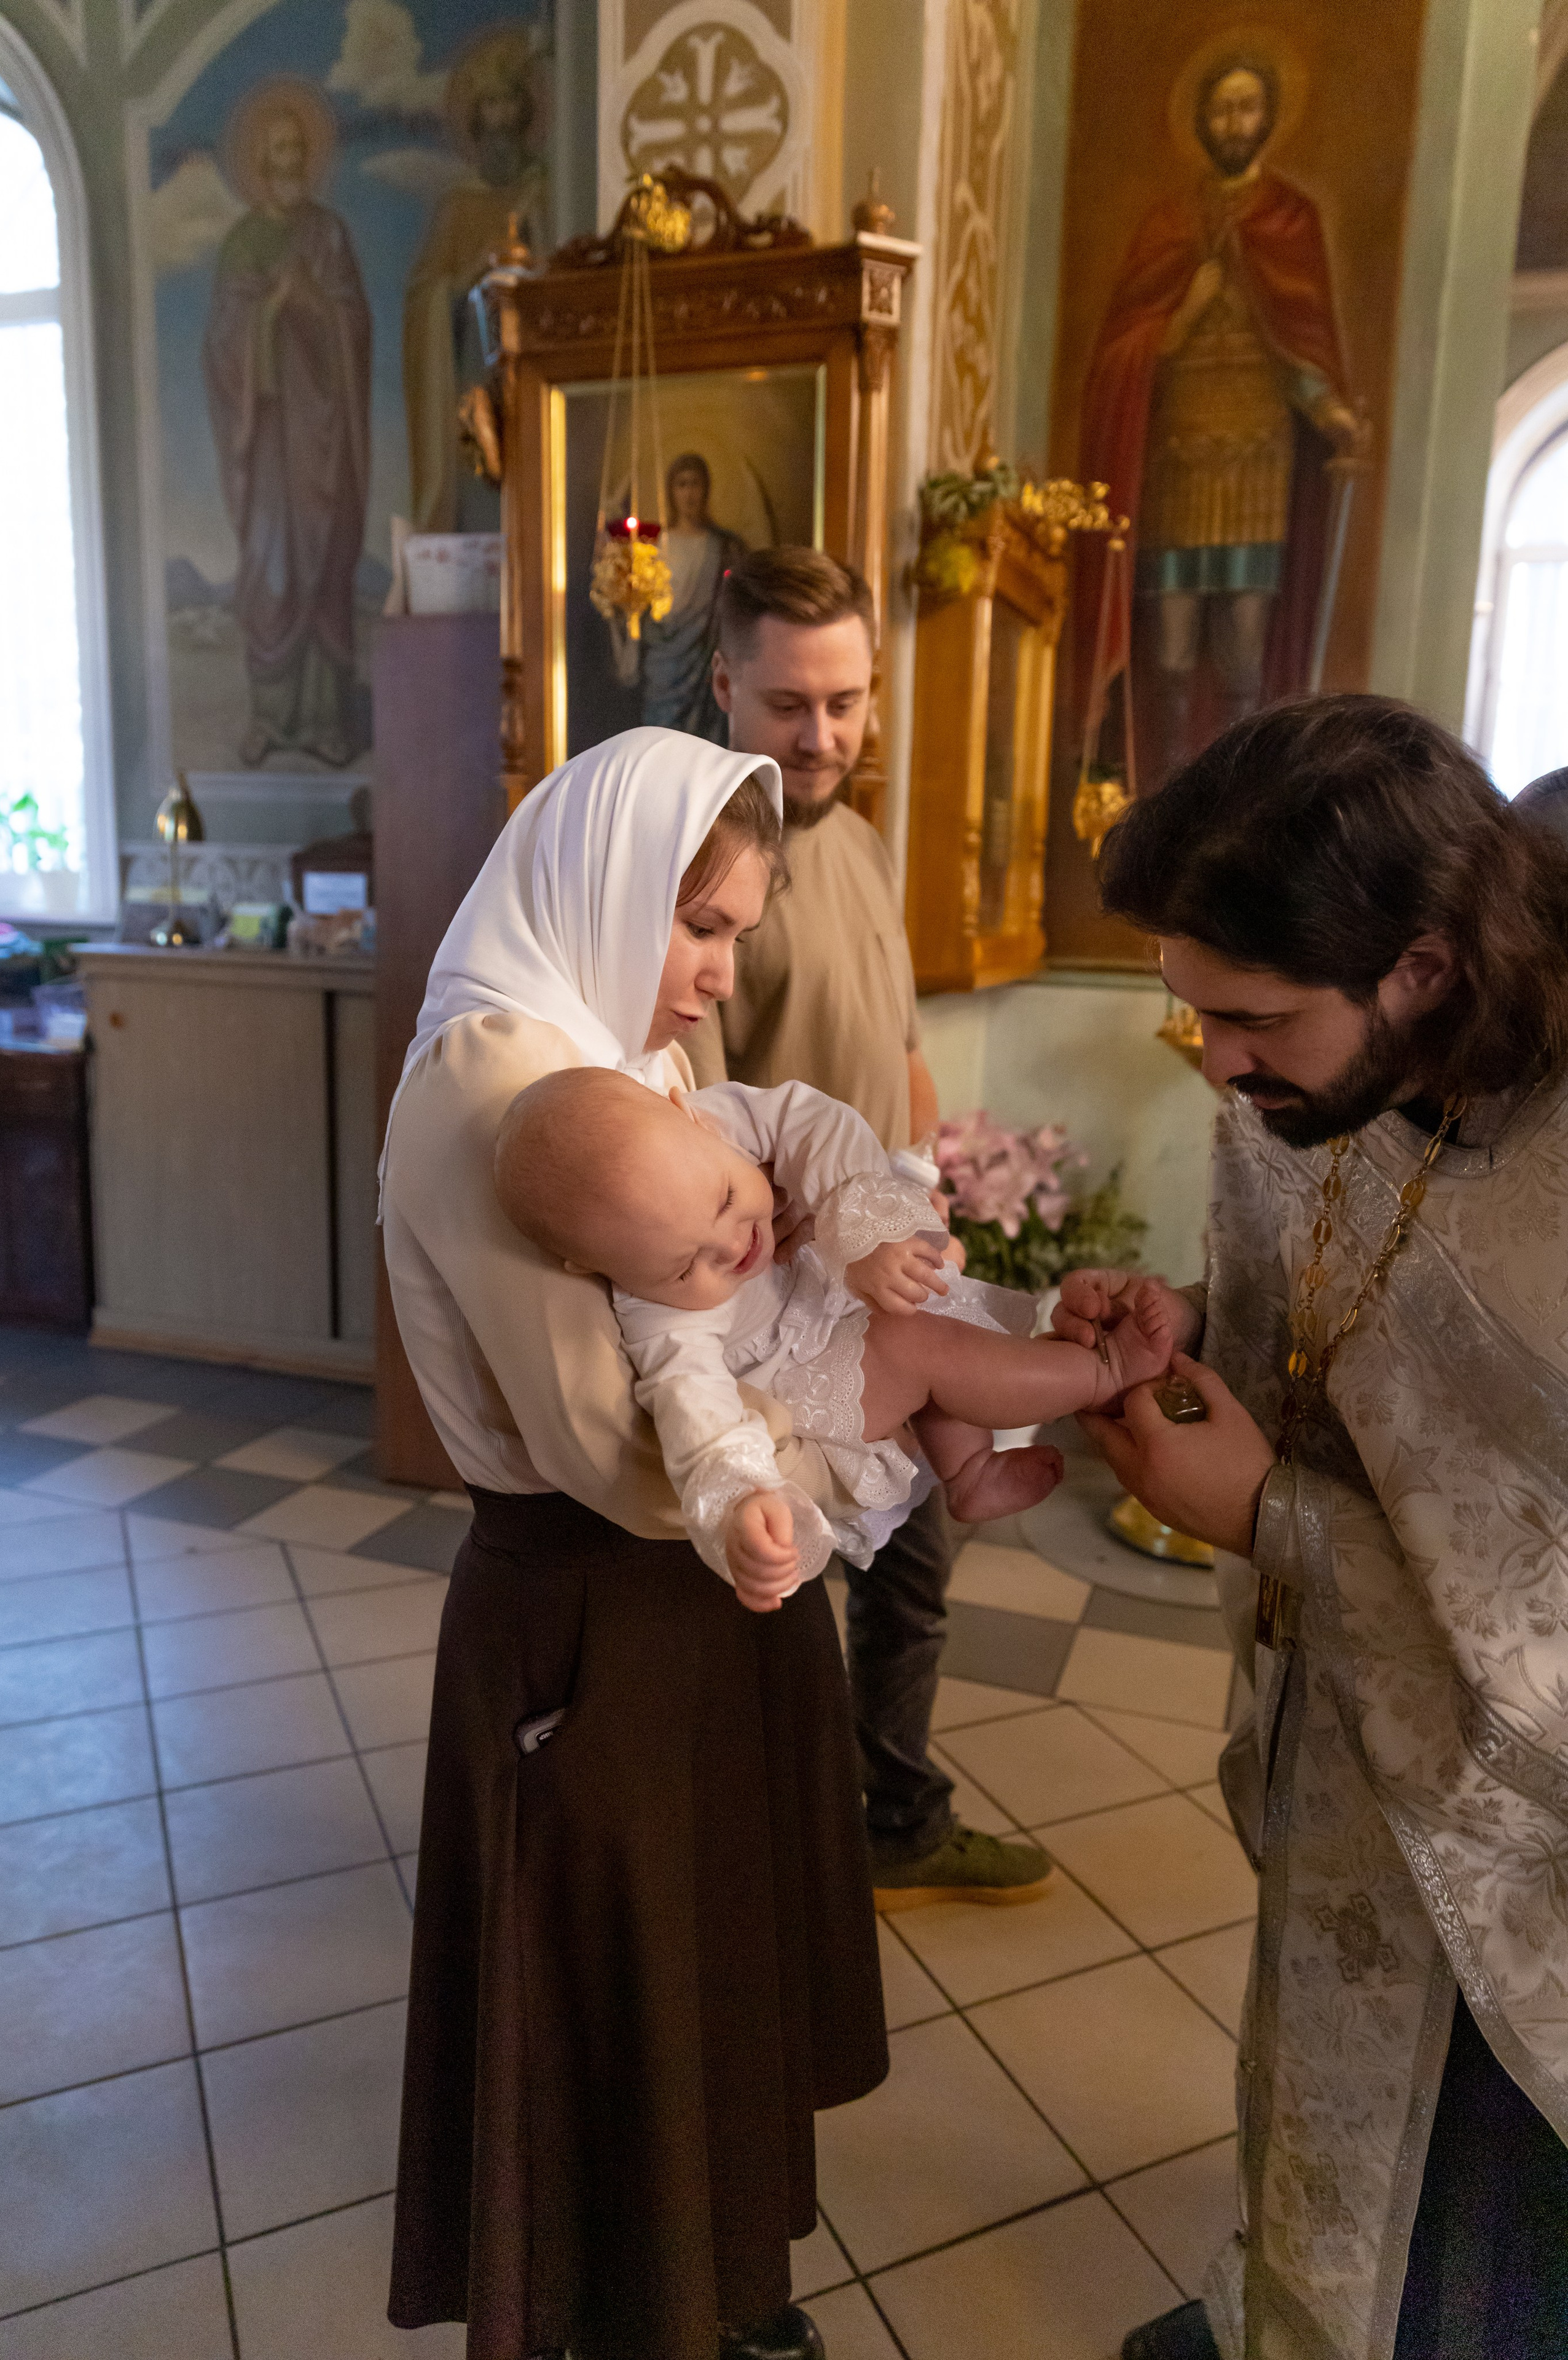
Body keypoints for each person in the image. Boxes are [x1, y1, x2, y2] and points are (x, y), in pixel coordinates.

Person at [1057, 696, 1568, 2360]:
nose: (1214, 1062)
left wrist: (1279, 1522)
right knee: (1313, 2121)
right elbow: (1320, 1327)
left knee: (1469, 2248)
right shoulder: (1298, 1107)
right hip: (1341, 1750)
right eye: (1194, 1012)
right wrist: (1190, 1327)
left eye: (1255, 1019)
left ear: (1422, 968)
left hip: (1520, 1876)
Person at [382, 728, 889, 2360]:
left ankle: (733, 2298)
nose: (715, 978)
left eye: (736, 932)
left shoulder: (607, 1043)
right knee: (618, 2043)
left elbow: (716, 1318)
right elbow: (613, 1456)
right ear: (600, 883)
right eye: (702, 930)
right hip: (596, 1618)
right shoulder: (496, 1083)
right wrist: (870, 1413)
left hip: (697, 1603)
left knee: (708, 1995)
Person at [692, 545, 1056, 1909]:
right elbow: (702, 1132)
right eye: (790, 703)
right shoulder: (709, 858)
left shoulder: (856, 838)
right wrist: (833, 1245)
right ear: (724, 682)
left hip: (884, 1284)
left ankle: (894, 1817)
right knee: (765, 1601)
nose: (823, 734)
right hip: (778, 1316)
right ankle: (758, 1854)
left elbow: (896, 1054)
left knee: (913, 1579)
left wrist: (924, 1202)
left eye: (846, 701)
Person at [496, 1066, 1170, 1586]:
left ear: (687, 1115)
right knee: (916, 1343)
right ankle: (1100, 1373)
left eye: (727, 1198)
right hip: (800, 1386)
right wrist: (738, 1502)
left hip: (832, 1296)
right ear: (596, 1269)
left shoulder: (716, 1117)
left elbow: (811, 1120)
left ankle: (969, 1469)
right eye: (683, 1266)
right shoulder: (656, 1315)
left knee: (915, 1305)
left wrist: (863, 1232)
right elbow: (692, 1409)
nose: (734, 1246)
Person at [1076, 48, 1365, 781]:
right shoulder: (1173, 221)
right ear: (1201, 119)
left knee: (1242, 651)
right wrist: (1189, 307)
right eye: (1222, 108)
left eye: (1247, 107)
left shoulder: (1288, 218)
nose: (1235, 122)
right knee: (1170, 654)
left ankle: (1228, 796)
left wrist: (1331, 412)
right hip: (1177, 462)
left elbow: (1303, 342)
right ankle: (1166, 788)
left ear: (1267, 117)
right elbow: (1129, 348)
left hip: (1257, 464)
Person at [203, 88, 370, 769]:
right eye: (280, 151)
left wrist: (315, 307)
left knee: (326, 563)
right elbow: (220, 339)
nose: (292, 160)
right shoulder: (244, 242)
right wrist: (269, 313)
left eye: (300, 150)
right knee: (271, 570)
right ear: (260, 162)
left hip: (323, 433)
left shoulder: (328, 233)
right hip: (267, 437)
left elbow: (355, 322)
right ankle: (271, 717)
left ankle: (326, 719)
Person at [402, 27, 546, 533]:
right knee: (482, 466)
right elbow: (426, 296)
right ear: (474, 120)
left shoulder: (544, 195)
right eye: (488, 106)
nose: (500, 118)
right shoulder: (457, 207)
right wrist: (472, 275)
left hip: (536, 361)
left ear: (525, 111)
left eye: (508, 104)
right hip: (472, 361)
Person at [611, 453, 746, 739]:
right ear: (671, 492)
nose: (689, 493)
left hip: (703, 657)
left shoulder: (723, 547)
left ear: (706, 489)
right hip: (662, 658)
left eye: (695, 484)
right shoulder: (655, 545)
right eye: (681, 484)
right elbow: (636, 603)